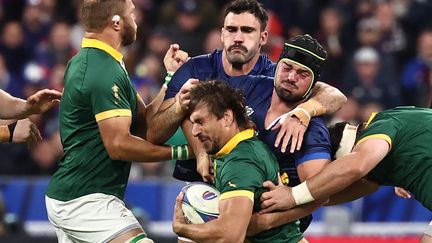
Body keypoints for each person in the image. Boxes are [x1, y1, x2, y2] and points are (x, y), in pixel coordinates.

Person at [150, 0, 346, 186]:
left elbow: (335, 96)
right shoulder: (195, 69)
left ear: (263, 37)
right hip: (200, 182)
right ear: (222, 33)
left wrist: (304, 112)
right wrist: (180, 109)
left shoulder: (278, 76)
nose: (238, 38)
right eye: (231, 29)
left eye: (247, 30)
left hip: (257, 185)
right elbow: (154, 134)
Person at [45, 1, 192, 242]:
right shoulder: (101, 70)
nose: (136, 21)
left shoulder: (103, 62)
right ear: (116, 22)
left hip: (81, 195)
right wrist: (184, 151)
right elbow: (119, 145)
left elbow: (143, 123)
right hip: (84, 200)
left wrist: (170, 78)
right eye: (131, 14)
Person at [259, 106, 432, 242]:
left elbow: (356, 166)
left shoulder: (381, 126)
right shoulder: (385, 159)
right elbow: (326, 195)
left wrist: (292, 195)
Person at [172, 81, 307, 243]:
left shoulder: (241, 162)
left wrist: (181, 228)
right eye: (193, 123)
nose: (194, 132)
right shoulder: (237, 148)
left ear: (227, 117)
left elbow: (230, 236)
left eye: (201, 122)